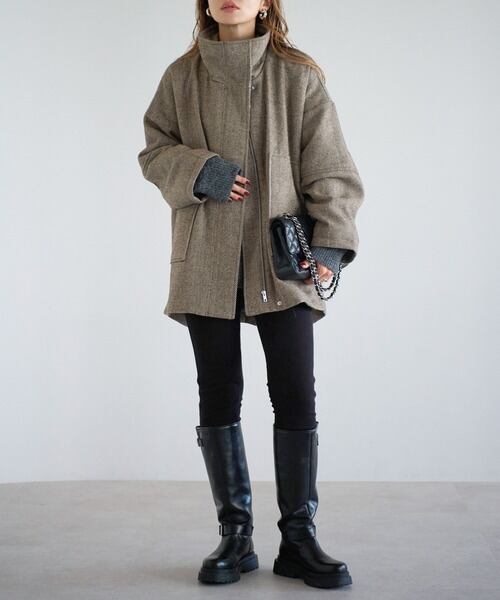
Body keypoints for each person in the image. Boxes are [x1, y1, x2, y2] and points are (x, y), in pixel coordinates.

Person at [137, 0, 364, 590]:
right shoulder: (181, 76)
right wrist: (202, 170)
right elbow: (154, 150)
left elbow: (330, 168)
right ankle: (235, 537)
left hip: (281, 261)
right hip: (205, 257)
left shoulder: (298, 76)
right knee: (218, 392)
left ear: (267, 3)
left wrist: (328, 248)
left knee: (295, 393)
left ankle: (299, 539)